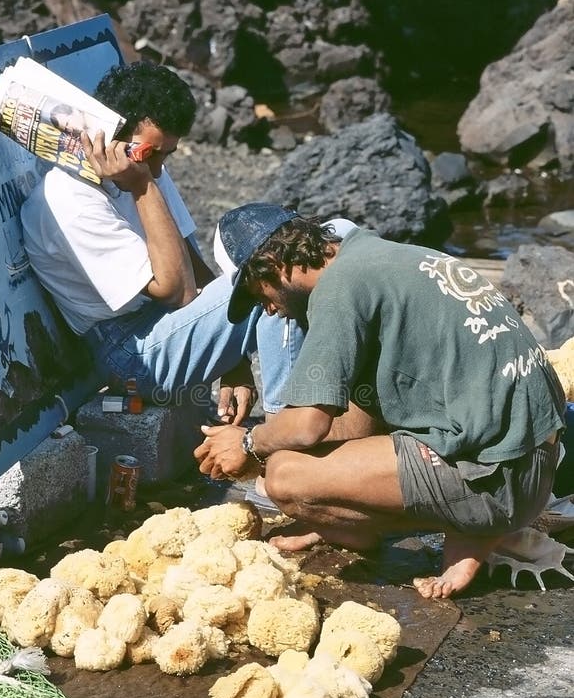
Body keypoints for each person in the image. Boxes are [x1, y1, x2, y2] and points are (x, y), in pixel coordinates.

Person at [195, 203, 566, 599]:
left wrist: (248, 443)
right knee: (320, 444)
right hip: (533, 459)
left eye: (258, 295)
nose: (268, 309)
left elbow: (306, 426)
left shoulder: (339, 286)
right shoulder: (375, 254)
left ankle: (473, 527)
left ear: (271, 263)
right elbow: (352, 418)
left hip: (499, 477)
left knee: (284, 475)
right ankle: (449, 522)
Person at [21, 63, 295, 424]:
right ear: (110, 134)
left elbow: (196, 270)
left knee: (296, 258)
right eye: (152, 154)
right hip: (130, 353)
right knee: (278, 277)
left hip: (167, 324)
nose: (161, 168)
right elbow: (178, 290)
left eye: (167, 154)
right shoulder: (68, 199)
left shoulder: (145, 167)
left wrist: (235, 360)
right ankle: (286, 430)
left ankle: (295, 419)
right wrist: (142, 187)